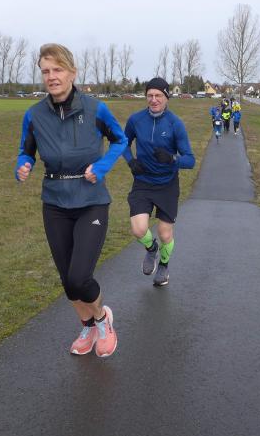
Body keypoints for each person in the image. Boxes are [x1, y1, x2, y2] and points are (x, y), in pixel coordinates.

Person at [15, 43, 127, 358]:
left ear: (72, 73)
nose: (51, 76)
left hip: (91, 200)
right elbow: (26, 151)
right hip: (54, 203)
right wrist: (23, 165)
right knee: (67, 281)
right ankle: (87, 326)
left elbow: (120, 140)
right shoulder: (34, 115)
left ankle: (103, 320)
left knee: (80, 277)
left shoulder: (95, 109)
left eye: (57, 69)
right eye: (45, 71)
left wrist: (102, 167)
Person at [123, 77, 195, 286]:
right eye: (150, 95)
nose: (153, 100)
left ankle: (164, 264)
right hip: (143, 181)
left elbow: (190, 160)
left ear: (166, 97)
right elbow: (122, 143)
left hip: (167, 184)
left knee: (165, 233)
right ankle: (151, 248)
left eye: (158, 95)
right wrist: (131, 161)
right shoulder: (136, 120)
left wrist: (172, 159)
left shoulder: (175, 124)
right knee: (138, 229)